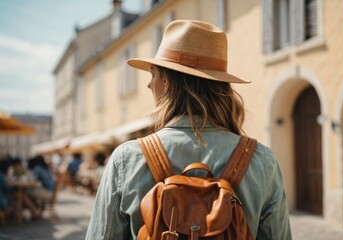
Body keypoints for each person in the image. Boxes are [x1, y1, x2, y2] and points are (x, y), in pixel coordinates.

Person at [85, 20, 292, 239]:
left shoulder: (127, 159)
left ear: (168, 82)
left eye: (153, 74)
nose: (149, 85)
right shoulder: (262, 161)